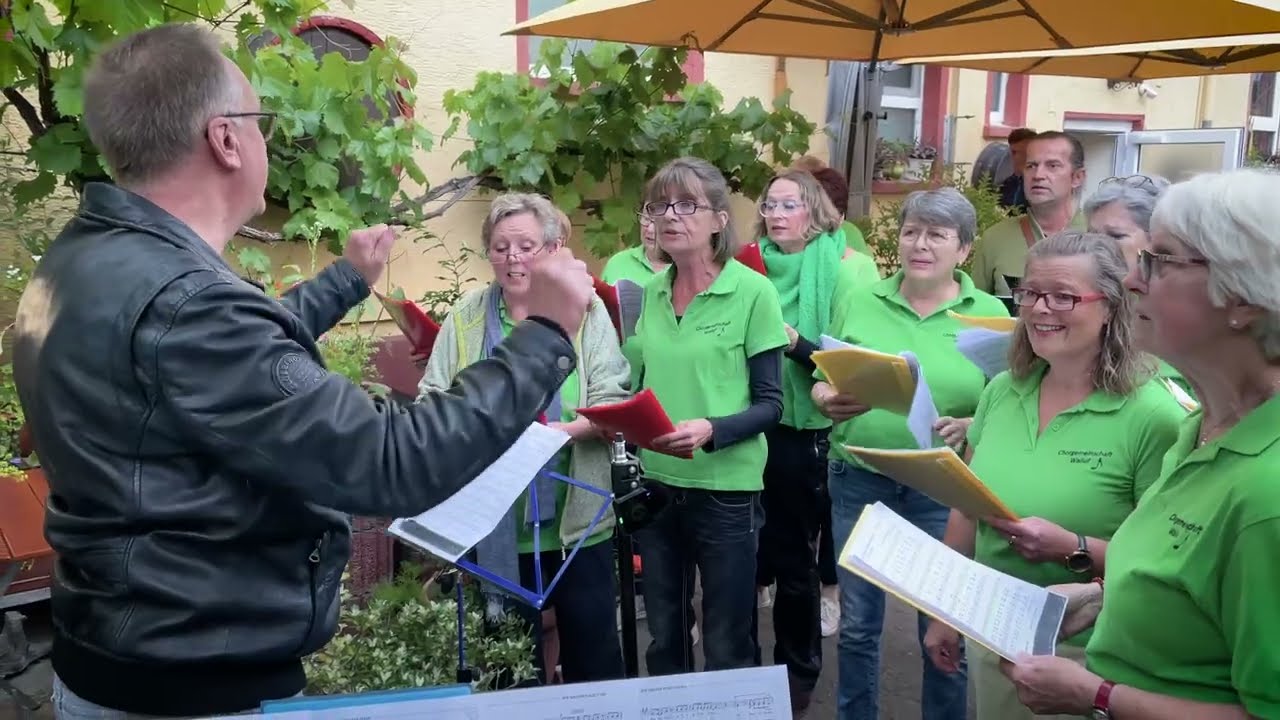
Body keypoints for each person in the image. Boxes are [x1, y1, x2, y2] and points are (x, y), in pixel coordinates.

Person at [10, 24, 595, 719]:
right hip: (193, 691)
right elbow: (390, 462)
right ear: (226, 140)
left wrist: (348, 279)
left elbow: (225, 362)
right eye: (261, 121)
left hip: (116, 660)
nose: (269, 140)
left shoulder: (83, 260)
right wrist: (549, 331)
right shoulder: (188, 303)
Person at [1000, 169, 1280, 719]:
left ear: (1243, 297)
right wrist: (1104, 596)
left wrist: (1095, 695)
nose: (1131, 280)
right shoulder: (1200, 427)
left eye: (1160, 261)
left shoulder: (1267, 493)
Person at [923, 231, 1185, 720]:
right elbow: (967, 505)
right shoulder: (1003, 390)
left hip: (1091, 657)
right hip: (996, 635)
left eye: (1063, 295)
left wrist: (1072, 546)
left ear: (1110, 306)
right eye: (1030, 293)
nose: (1041, 309)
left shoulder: (1155, 416)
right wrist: (945, 611)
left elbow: (1173, 563)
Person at [812, 188, 1009, 720]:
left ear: (964, 250)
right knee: (857, 625)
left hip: (942, 487)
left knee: (942, 626)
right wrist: (827, 396)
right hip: (859, 475)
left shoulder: (989, 315)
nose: (920, 245)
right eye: (910, 232)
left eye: (937, 235)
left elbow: (1014, 401)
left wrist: (973, 422)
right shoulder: (861, 298)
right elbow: (822, 375)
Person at [418, 192, 629, 685]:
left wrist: (557, 434)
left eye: (526, 245)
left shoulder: (586, 309)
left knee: (594, 668)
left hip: (580, 524)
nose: (513, 258)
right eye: (500, 247)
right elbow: (432, 399)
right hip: (496, 529)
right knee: (509, 673)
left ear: (551, 248)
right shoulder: (467, 315)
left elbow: (611, 399)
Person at [630, 156, 787, 679]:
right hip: (656, 485)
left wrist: (712, 430)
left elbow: (772, 404)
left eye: (687, 205)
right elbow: (637, 383)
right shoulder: (650, 293)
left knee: (726, 639)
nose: (669, 217)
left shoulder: (753, 292)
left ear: (720, 219)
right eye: (659, 206)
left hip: (725, 489)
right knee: (665, 635)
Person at [749, 169, 877, 711]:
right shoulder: (746, 264)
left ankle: (796, 672)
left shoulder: (849, 268)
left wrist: (799, 345)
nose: (776, 215)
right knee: (758, 553)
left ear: (817, 212)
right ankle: (742, 672)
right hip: (749, 421)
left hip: (809, 428)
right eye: (770, 205)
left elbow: (858, 359)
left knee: (795, 557)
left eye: (790, 205)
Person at [1082, 174, 1191, 397]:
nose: (1098, 247)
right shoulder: (1082, 300)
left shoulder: (1184, 308)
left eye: (1115, 235)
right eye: (1091, 236)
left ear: (1159, 243)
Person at [971, 131, 1088, 296]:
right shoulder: (995, 239)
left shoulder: (1099, 236)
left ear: (1077, 177)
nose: (1038, 175)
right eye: (1031, 166)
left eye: (1052, 166)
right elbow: (976, 314)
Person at [996, 127, 1037, 213]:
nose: (1012, 157)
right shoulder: (1007, 185)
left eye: (1015, 152)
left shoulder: (1044, 187)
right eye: (1011, 152)